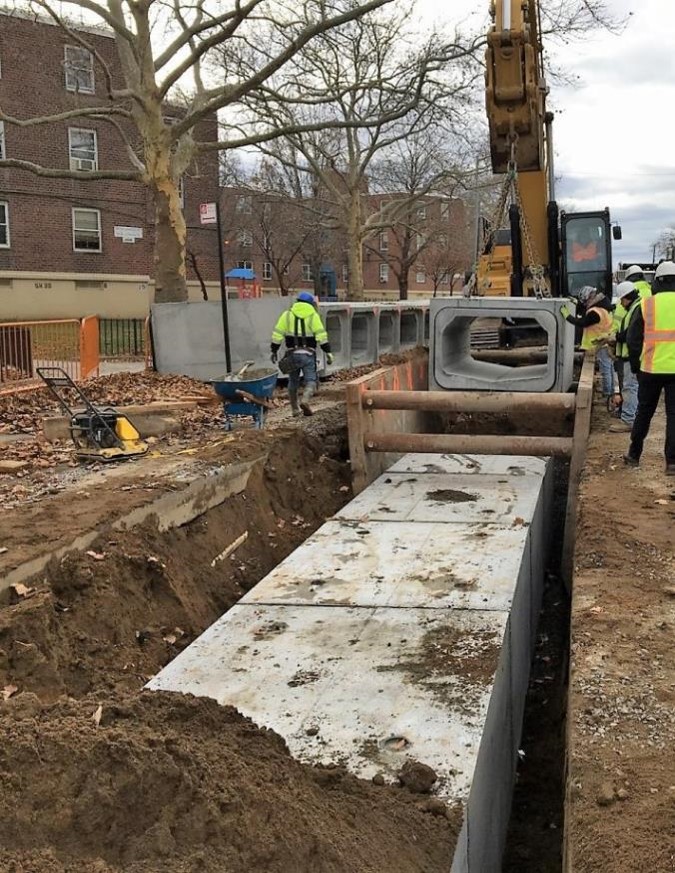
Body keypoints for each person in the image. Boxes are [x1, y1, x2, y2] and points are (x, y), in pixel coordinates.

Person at [624, 260, 675, 473]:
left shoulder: (647, 305)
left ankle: (634, 454)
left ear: (657, 281)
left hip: (650, 369)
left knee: (644, 412)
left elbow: (633, 339)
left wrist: (636, 366)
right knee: (673, 416)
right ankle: (672, 463)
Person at [270, 291, 333, 417]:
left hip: (292, 354)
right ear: (310, 303)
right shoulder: (313, 316)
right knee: (311, 380)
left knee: (293, 381)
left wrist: (274, 350)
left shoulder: (287, 315)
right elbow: (321, 336)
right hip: (308, 354)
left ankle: (295, 409)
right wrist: (328, 351)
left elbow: (277, 334)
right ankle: (305, 400)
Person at [561, 285, 615, 397]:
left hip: (601, 343)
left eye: (585, 302)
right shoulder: (602, 306)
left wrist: (567, 316)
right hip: (605, 342)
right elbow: (585, 311)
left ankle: (607, 394)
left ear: (589, 298)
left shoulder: (595, 312)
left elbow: (582, 322)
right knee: (609, 368)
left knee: (605, 370)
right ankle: (610, 391)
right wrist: (576, 303)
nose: (585, 304)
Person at [608, 281, 641, 433]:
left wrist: (616, 338)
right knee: (632, 387)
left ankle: (628, 420)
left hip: (632, 356)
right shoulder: (635, 308)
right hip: (631, 355)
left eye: (622, 299)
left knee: (629, 387)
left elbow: (631, 333)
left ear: (627, 297)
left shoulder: (636, 309)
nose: (621, 303)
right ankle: (632, 417)